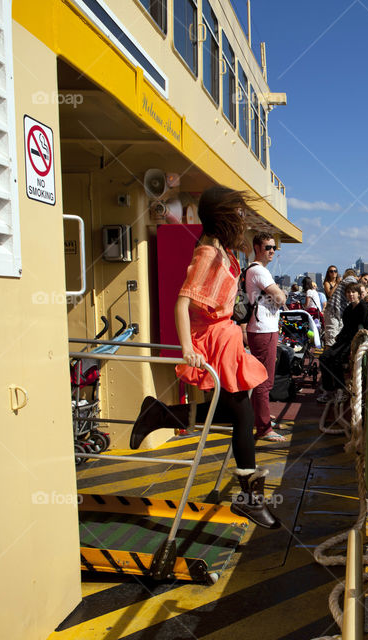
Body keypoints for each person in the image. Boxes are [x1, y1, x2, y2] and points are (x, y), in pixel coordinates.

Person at [129, 186, 280, 529]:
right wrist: (187, 348)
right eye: (238, 214)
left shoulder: (224, 251)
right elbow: (182, 302)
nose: (242, 221)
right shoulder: (209, 253)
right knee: (241, 417)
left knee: (232, 413)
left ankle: (160, 413)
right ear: (223, 216)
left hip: (226, 337)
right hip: (214, 339)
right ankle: (250, 500)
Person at [244, 232, 287, 443]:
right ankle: (263, 428)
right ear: (258, 248)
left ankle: (261, 417)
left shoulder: (254, 271)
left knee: (263, 378)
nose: (272, 251)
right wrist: (282, 295)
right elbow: (280, 297)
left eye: (274, 248)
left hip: (262, 328)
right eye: (268, 247)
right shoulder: (259, 271)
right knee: (264, 380)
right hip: (263, 329)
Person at [317, 282, 368, 402]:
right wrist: (339, 335)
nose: (350, 294)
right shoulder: (348, 309)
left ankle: (341, 391)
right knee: (324, 358)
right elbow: (346, 326)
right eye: (348, 292)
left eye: (353, 292)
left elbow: (367, 326)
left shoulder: (363, 307)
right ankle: (329, 391)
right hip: (344, 340)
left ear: (359, 294)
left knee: (336, 359)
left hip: (355, 341)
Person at [322, 269, 358, 348]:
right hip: (333, 311)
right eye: (365, 280)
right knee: (331, 339)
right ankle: (326, 359)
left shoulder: (343, 283)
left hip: (337, 312)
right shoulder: (350, 279)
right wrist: (357, 280)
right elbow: (352, 284)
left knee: (336, 337)